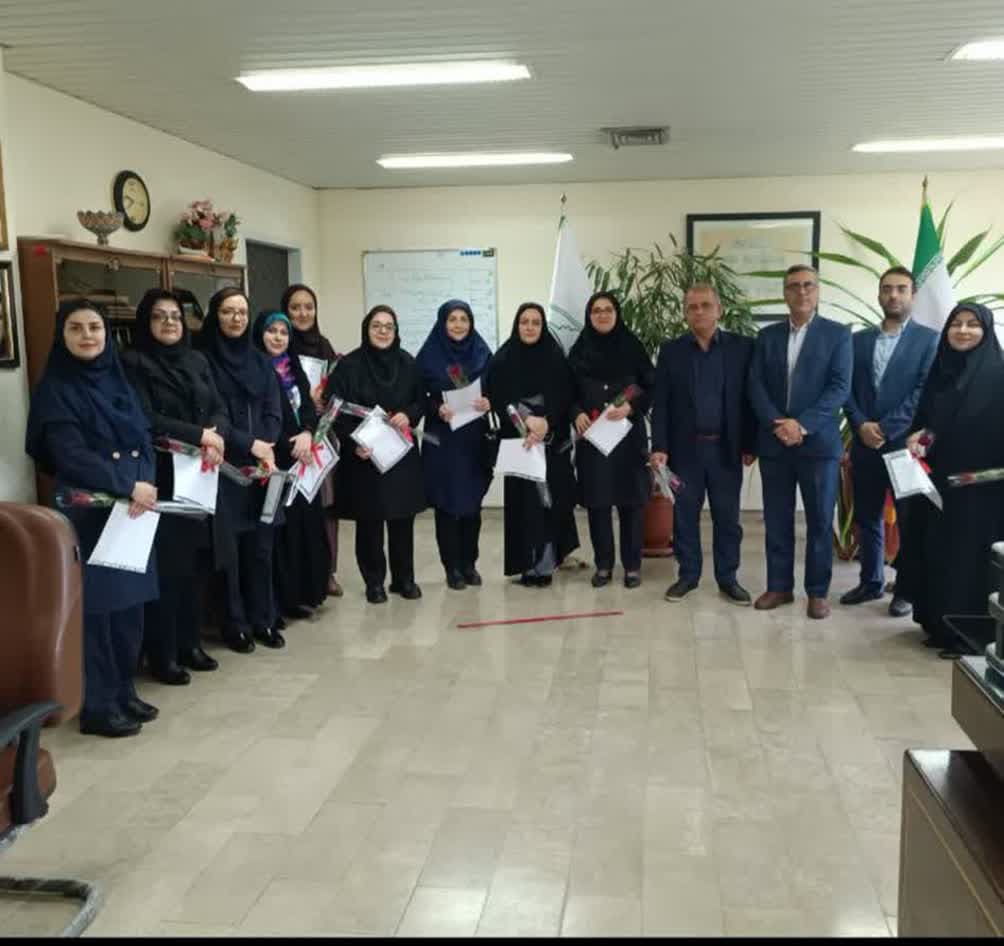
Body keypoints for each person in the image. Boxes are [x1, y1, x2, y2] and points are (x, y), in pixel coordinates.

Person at [25, 298, 159, 737]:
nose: (87, 336)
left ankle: (124, 691)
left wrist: (145, 483)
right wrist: (128, 484)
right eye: (76, 328)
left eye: (95, 327)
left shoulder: (118, 377)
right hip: (90, 511)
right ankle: (99, 706)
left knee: (130, 607)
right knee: (98, 611)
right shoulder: (56, 389)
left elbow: (144, 436)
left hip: (132, 509)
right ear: (61, 335)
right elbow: (70, 455)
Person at [122, 289, 229, 685]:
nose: (169, 322)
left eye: (175, 316)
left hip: (200, 473)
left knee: (195, 564)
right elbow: (145, 418)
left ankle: (190, 643)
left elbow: (218, 406)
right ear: (145, 322)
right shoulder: (133, 362)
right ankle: (163, 653)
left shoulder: (197, 359)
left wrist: (215, 437)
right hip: (162, 475)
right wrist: (200, 435)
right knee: (168, 567)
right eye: (159, 316)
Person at [898, 303, 1004, 656]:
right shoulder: (941, 371)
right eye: (956, 324)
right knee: (937, 553)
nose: (963, 330)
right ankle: (939, 625)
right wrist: (920, 439)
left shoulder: (998, 375)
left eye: (973, 325)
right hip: (937, 486)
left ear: (986, 331)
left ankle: (970, 636)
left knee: (969, 562)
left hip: (981, 492)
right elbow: (934, 424)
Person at [748, 265, 852, 619]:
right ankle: (779, 587)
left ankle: (817, 593)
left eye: (808, 285)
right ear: (785, 293)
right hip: (775, 443)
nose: (802, 292)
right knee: (777, 519)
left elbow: (839, 387)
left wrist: (802, 425)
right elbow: (755, 386)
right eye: (794, 286)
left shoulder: (838, 335)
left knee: (820, 521)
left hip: (818, 445)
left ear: (818, 291)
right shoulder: (767, 336)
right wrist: (779, 424)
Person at [842, 267, 939, 615]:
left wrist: (884, 427)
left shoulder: (929, 340)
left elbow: (923, 391)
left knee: (909, 520)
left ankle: (906, 590)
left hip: (904, 446)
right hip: (864, 444)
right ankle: (871, 582)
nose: (893, 295)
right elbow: (845, 388)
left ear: (913, 295)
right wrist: (859, 424)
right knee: (867, 516)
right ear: (879, 294)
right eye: (887, 289)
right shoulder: (857, 341)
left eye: (901, 289)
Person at [651, 284, 756, 604]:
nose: (699, 312)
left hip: (726, 449)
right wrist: (660, 446)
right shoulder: (671, 352)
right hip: (686, 451)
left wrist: (750, 443)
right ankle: (688, 576)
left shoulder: (742, 348)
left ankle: (728, 578)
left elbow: (750, 399)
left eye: (705, 305)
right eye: (692, 307)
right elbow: (661, 404)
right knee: (684, 517)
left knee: (728, 518)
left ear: (719, 310)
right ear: (685, 313)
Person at [196, 287, 284, 651]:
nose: (236, 318)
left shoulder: (260, 362)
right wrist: (249, 444)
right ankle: (235, 624)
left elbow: (274, 408)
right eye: (228, 311)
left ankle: (264, 619)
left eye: (242, 312)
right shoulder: (203, 360)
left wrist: (266, 444)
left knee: (261, 549)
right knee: (229, 553)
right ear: (215, 315)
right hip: (224, 467)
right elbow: (212, 414)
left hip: (262, 466)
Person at [327, 305, 426, 603]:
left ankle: (404, 579)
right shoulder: (349, 366)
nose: (383, 331)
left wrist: (409, 415)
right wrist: (352, 443)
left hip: (399, 453)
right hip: (364, 455)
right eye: (376, 326)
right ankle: (374, 582)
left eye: (389, 326)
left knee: (402, 519)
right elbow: (335, 410)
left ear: (396, 331)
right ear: (366, 330)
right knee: (370, 521)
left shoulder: (408, 363)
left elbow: (421, 400)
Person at [484, 302, 579, 585]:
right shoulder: (502, 359)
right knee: (523, 507)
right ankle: (526, 566)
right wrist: (524, 421)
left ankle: (545, 566)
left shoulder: (555, 357)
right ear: (517, 325)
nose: (529, 327)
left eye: (535, 322)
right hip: (519, 443)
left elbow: (565, 396)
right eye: (524, 322)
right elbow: (497, 397)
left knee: (549, 503)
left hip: (551, 442)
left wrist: (546, 422)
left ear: (542, 326)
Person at [569, 292, 654, 589]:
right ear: (589, 316)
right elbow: (566, 391)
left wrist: (632, 406)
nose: (602, 315)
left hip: (628, 438)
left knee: (632, 503)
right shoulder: (579, 351)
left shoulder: (632, 347)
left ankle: (632, 566)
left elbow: (651, 385)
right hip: (593, 440)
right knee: (598, 503)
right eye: (596, 310)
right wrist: (576, 413)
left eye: (608, 310)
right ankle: (603, 565)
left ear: (617, 314)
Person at [253, 310, 331, 619]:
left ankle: (305, 594)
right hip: (277, 460)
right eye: (271, 331)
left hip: (304, 460)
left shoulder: (293, 366)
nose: (278, 337)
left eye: (283, 332)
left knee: (306, 527)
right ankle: (282, 600)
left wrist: (308, 432)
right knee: (281, 534)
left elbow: (309, 408)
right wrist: (291, 442)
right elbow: (264, 418)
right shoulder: (257, 369)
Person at [416, 299, 493, 590]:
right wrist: (437, 408)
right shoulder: (429, 355)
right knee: (447, 505)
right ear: (442, 323)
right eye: (452, 319)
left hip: (474, 438)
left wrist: (489, 401)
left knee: (472, 504)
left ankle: (469, 564)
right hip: (443, 439)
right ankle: (452, 568)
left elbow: (496, 388)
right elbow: (418, 396)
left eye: (464, 319)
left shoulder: (483, 353)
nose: (459, 324)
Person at [282, 282, 344, 598]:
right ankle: (301, 577)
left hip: (322, 436)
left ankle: (328, 572)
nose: (303, 313)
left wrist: (325, 400)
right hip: (291, 437)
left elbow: (338, 390)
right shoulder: (279, 342)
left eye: (309, 307)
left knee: (327, 506)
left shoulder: (324, 346)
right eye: (295, 307)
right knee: (298, 507)